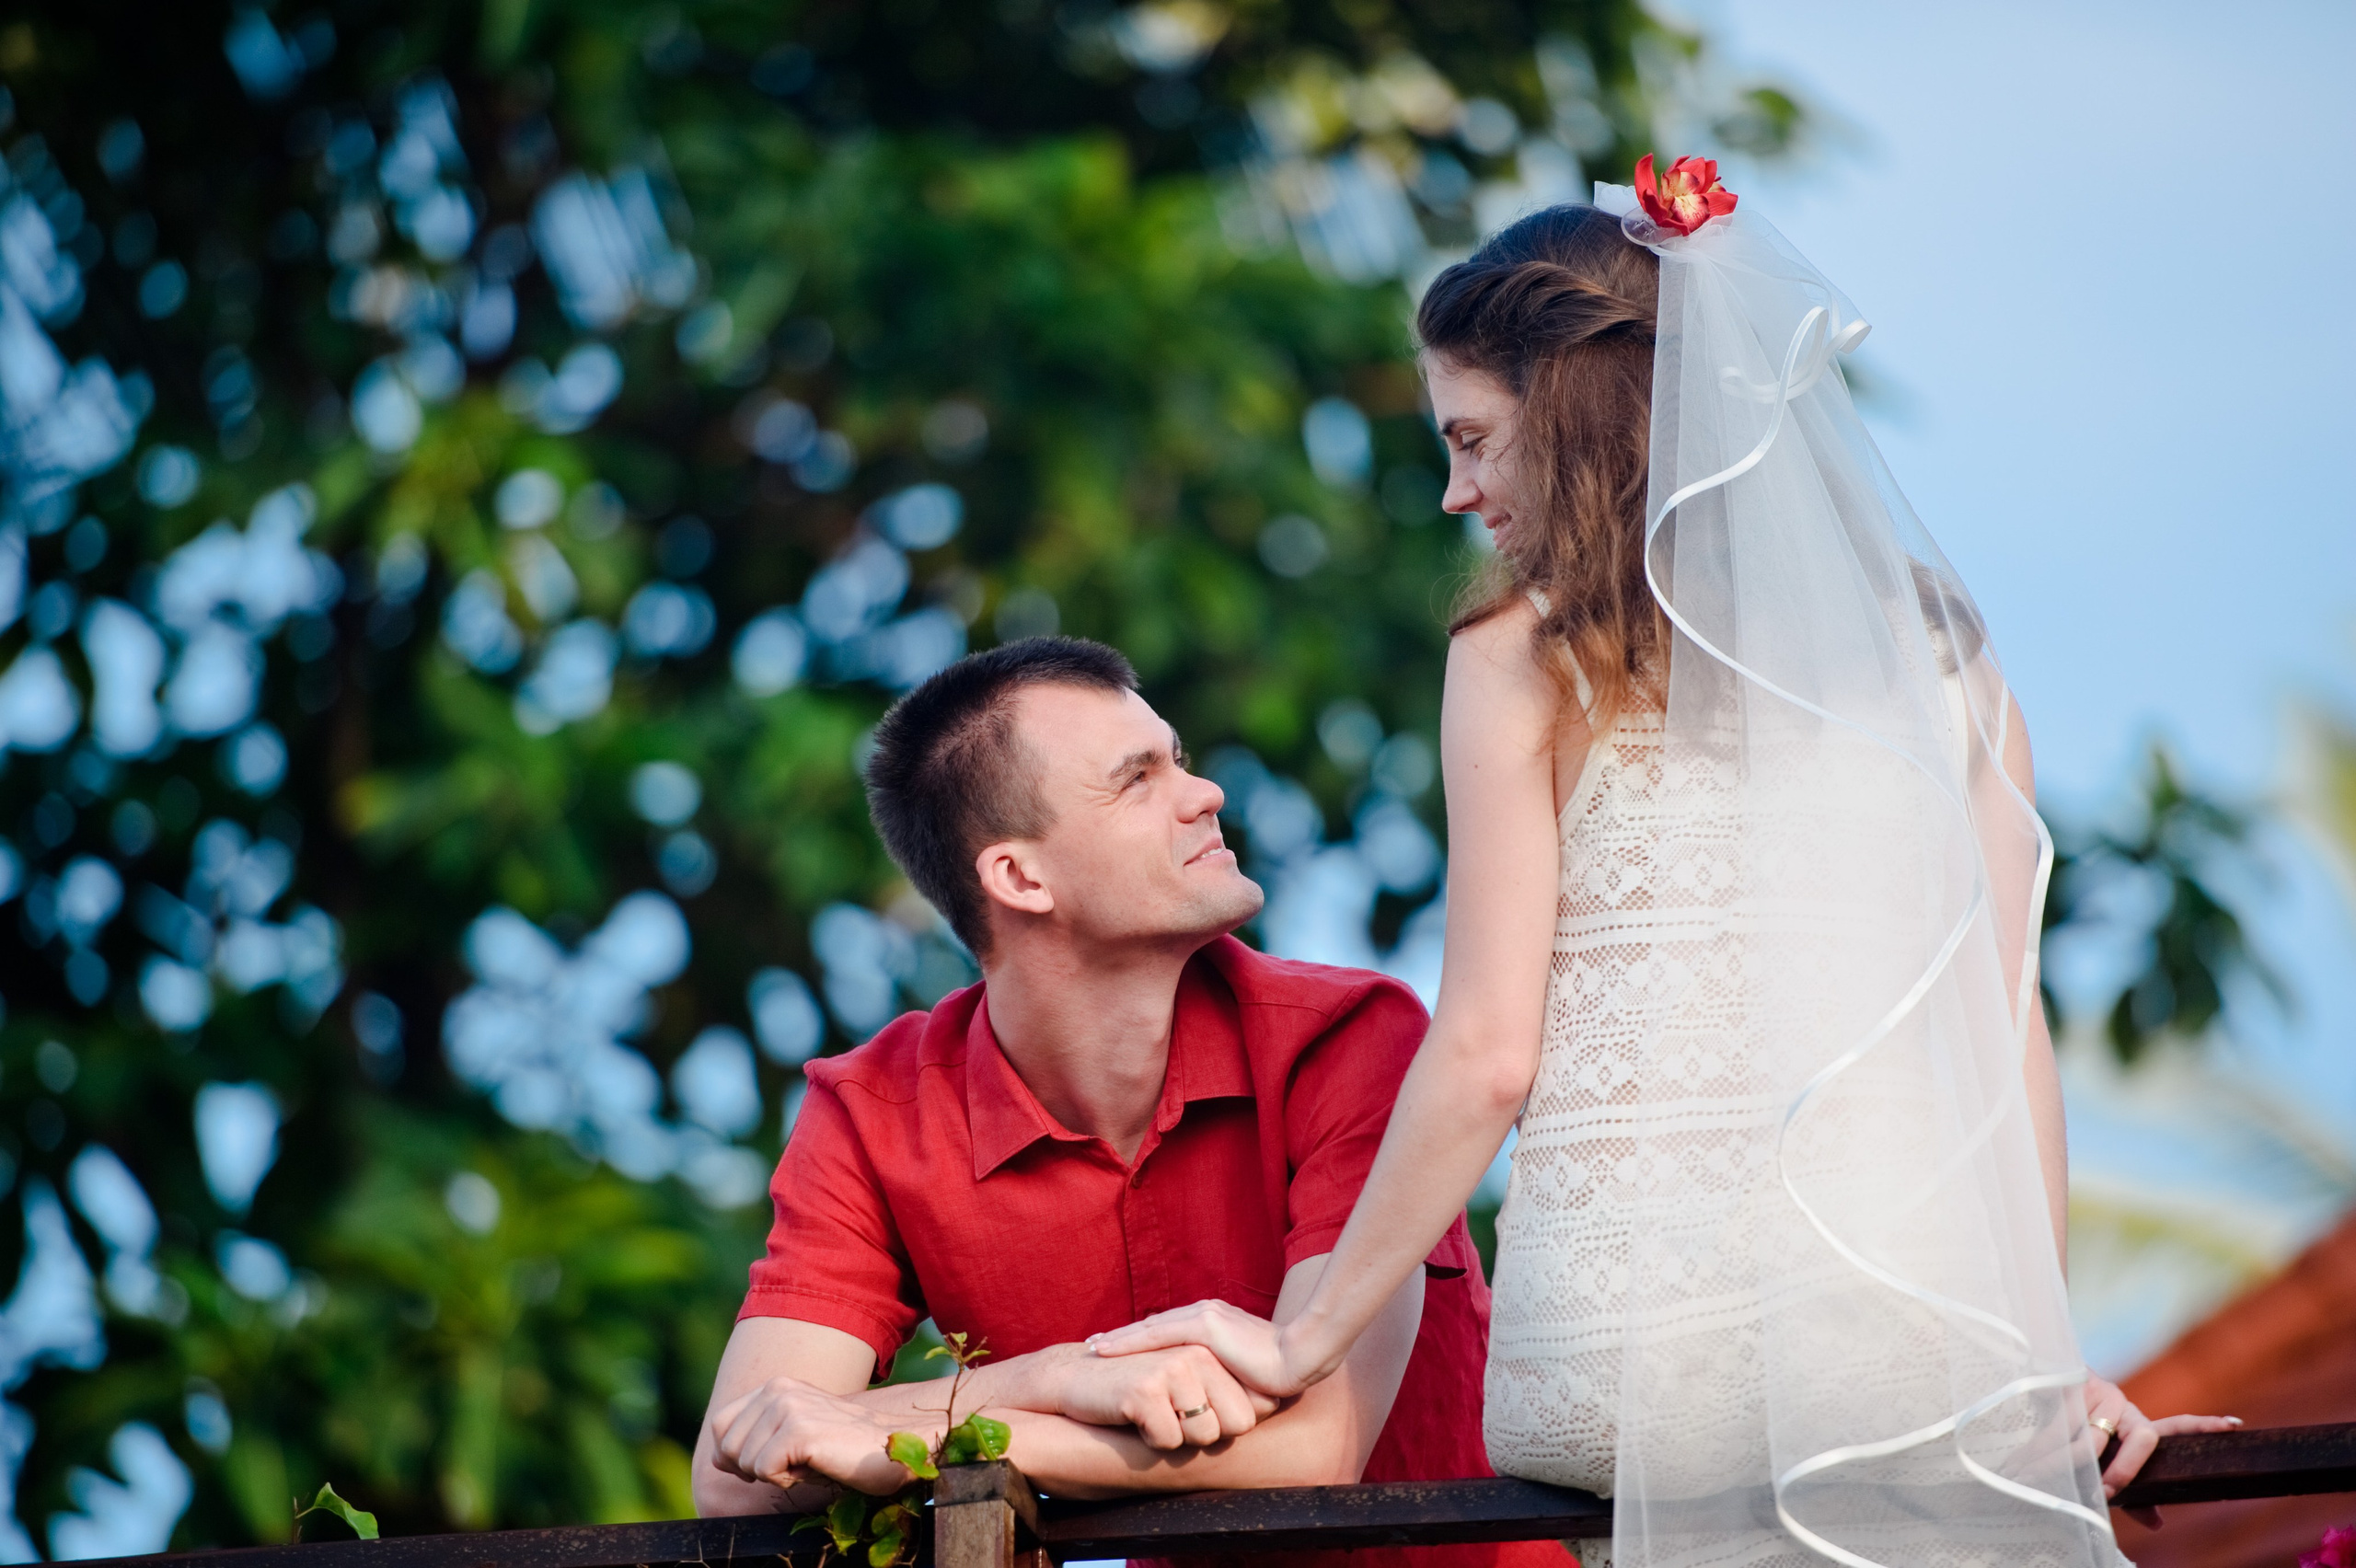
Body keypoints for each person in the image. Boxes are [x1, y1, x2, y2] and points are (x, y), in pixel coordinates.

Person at [1090, 170, 2235, 1566]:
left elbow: (1490, 1053)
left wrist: (1303, 1337)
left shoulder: (1521, 655)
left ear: (1570, 412)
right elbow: (2003, 1036)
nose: (1456, 492)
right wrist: (2042, 1365)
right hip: (1931, 1365)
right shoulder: (1950, 666)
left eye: (1472, 439)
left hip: (1648, 1372)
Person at [695, 637, 1572, 1568]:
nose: (1204, 794)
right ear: (1021, 878)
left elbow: (1315, 1449)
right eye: (1138, 778)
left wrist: (928, 1433)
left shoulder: (1348, 1040)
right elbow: (736, 1472)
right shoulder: (874, 1115)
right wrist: (1060, 1379)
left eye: (1178, 760)